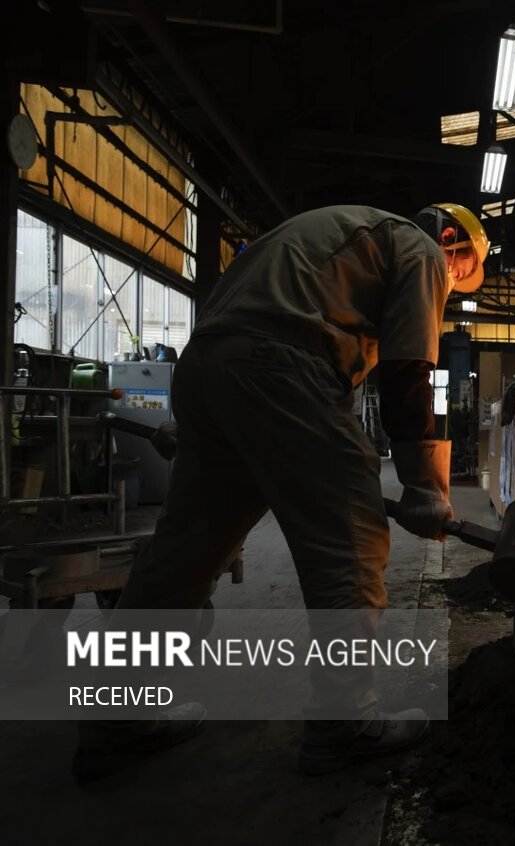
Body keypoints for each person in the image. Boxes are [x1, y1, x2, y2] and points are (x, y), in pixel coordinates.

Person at [74, 203, 488, 780]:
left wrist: (202, 422)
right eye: (461, 273)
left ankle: (117, 715)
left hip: (208, 368)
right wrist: (423, 483)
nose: (451, 286)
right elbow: (409, 371)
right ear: (451, 239)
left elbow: (234, 328)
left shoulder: (328, 233)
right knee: (350, 540)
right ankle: (344, 723)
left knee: (182, 557)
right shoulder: (418, 249)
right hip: (282, 367)